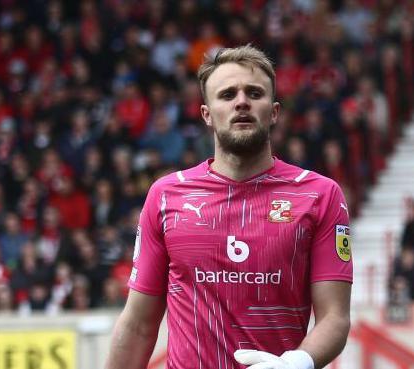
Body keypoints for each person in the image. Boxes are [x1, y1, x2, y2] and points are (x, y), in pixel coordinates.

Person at [105, 45, 353, 369]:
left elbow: (335, 317)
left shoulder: (320, 195)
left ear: (274, 111)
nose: (241, 102)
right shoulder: (166, 195)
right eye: (227, 95)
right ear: (207, 115)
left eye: (254, 93)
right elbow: (138, 324)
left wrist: (297, 362)